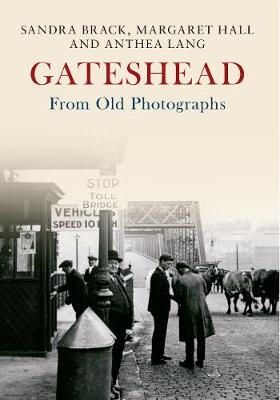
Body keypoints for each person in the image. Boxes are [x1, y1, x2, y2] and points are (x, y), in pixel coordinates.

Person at [173, 262, 215, 369]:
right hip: (202, 309)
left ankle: (189, 361)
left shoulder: (180, 280)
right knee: (201, 336)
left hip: (188, 310)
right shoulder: (200, 277)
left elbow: (179, 297)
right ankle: (200, 360)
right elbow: (206, 291)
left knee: (189, 336)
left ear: (180, 269)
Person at [107, 250, 133, 395]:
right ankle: (108, 385)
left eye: (116, 263)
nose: (114, 266)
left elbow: (125, 299)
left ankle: (113, 382)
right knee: (112, 355)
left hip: (120, 325)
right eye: (111, 263)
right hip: (112, 324)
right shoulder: (103, 279)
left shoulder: (116, 278)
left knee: (117, 354)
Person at [148, 253, 174, 365]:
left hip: (161, 307)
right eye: (168, 263)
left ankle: (160, 354)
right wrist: (171, 296)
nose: (169, 266)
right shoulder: (157, 274)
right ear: (162, 261)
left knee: (162, 331)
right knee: (158, 332)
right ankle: (155, 358)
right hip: (159, 308)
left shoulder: (162, 273)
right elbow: (157, 293)